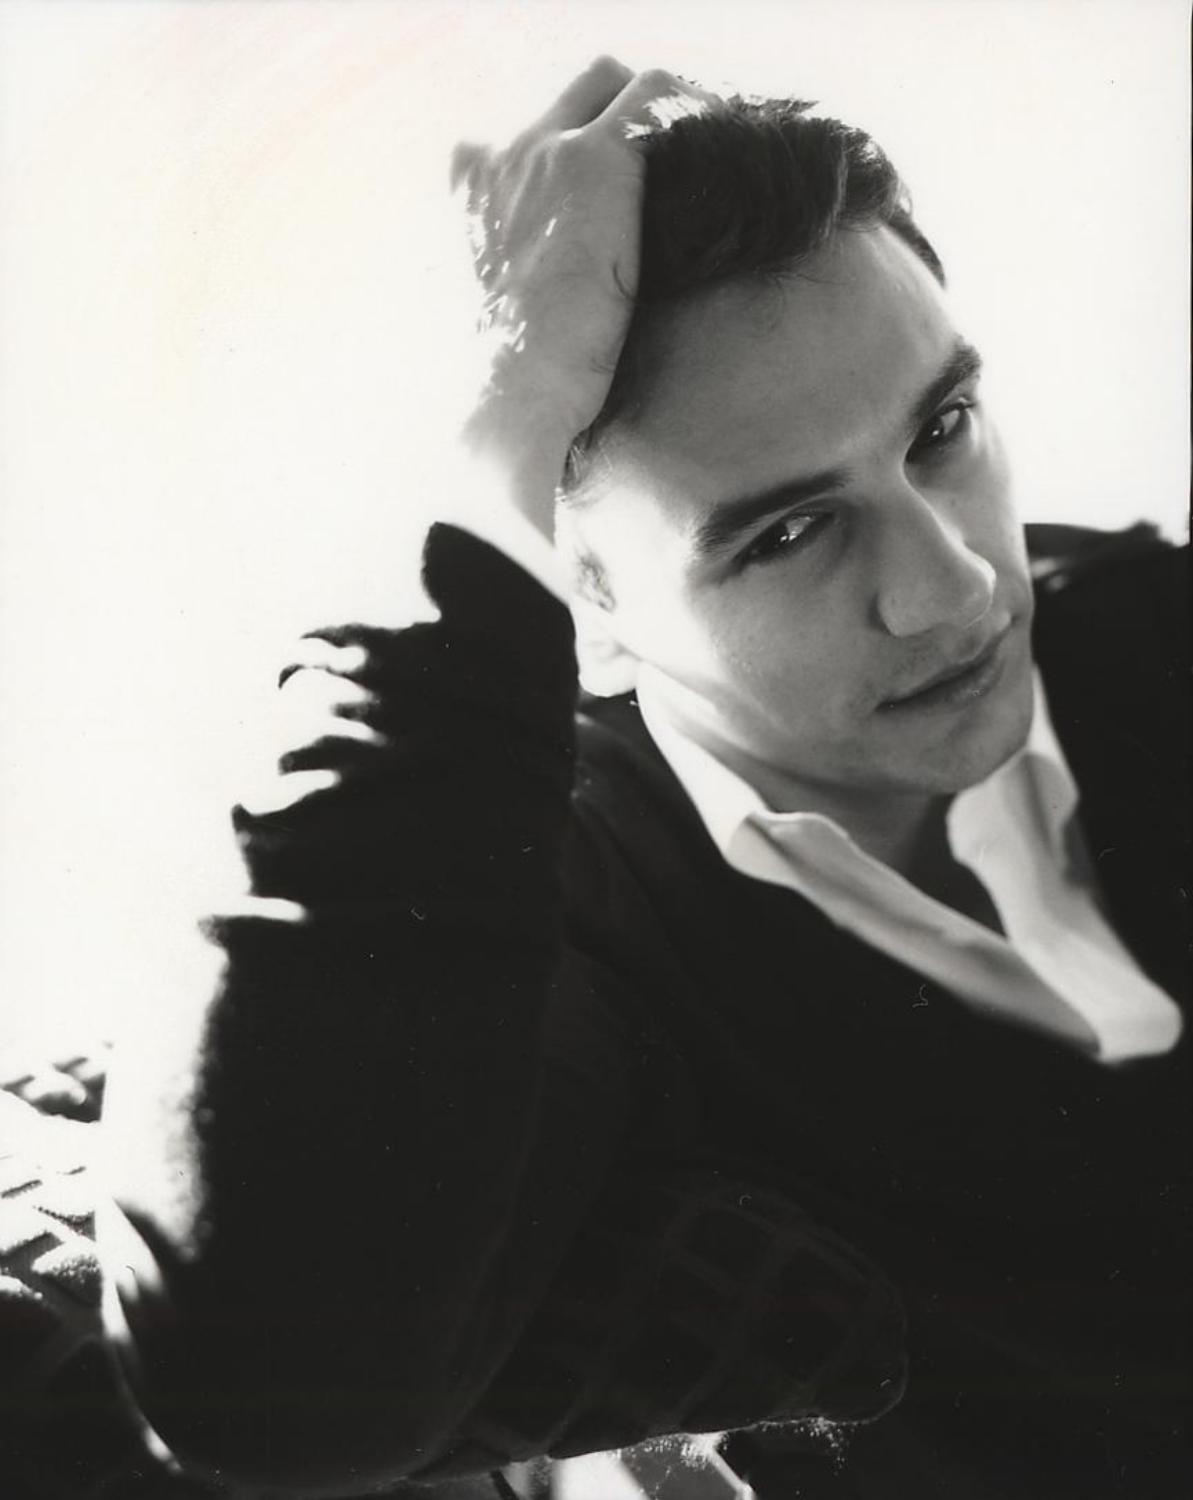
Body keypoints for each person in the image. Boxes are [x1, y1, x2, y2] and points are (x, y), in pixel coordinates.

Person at [90, 58, 1188, 1499]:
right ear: (586, 614)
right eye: (785, 535)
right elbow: (265, 1391)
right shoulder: (570, 912)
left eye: (939, 432)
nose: (954, 582)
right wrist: (490, 443)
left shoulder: (1146, 624)